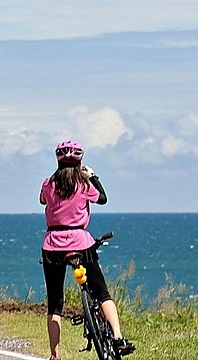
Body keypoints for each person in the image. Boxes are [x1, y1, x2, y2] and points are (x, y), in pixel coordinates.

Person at [39, 140, 135, 360]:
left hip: (53, 244)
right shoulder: (84, 185)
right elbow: (102, 199)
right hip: (81, 242)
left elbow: (42, 199)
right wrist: (92, 176)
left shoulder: (49, 184)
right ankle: (118, 338)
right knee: (102, 293)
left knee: (55, 304)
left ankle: (55, 355)